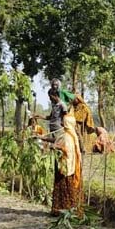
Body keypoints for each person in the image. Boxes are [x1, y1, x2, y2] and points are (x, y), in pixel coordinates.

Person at [39, 88, 83, 216]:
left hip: (66, 167)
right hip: (64, 164)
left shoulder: (68, 136)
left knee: (65, 189)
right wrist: (43, 138)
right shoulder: (67, 133)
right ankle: (60, 211)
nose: (62, 123)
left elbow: (66, 148)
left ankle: (65, 211)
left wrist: (55, 147)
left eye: (63, 122)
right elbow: (56, 139)